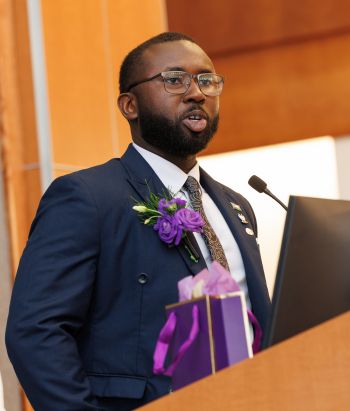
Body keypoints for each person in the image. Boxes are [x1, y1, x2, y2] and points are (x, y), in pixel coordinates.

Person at [6, 32, 270, 410]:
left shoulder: (236, 206)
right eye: (175, 79)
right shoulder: (88, 198)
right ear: (130, 105)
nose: (197, 93)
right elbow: (35, 333)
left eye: (207, 81)